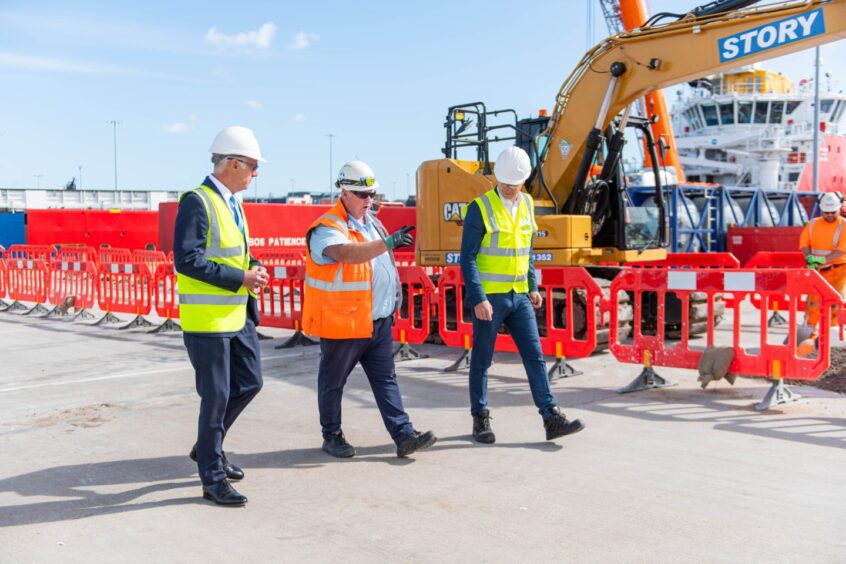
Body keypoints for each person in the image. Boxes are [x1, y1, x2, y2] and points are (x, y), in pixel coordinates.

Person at [301, 160, 437, 458]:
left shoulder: (372, 222)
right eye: (362, 195)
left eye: (372, 194)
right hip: (344, 324)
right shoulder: (327, 227)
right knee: (333, 382)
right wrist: (388, 242)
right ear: (344, 192)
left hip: (377, 322)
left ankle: (403, 435)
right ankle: (332, 435)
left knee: (386, 379)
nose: (369, 200)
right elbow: (347, 254)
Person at [460, 146, 585, 444]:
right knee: (482, 360)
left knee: (535, 357)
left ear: (523, 181)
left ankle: (550, 417)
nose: (508, 188)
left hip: (519, 297)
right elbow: (467, 257)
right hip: (491, 298)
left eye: (513, 184)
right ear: (496, 179)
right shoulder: (481, 207)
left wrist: (533, 285)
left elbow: (527, 249)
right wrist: (478, 298)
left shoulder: (527, 204)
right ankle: (480, 418)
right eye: (503, 183)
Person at [174, 126, 269, 506]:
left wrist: (254, 268)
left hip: (237, 317)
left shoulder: (233, 203)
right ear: (233, 164)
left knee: (250, 383)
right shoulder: (198, 201)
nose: (256, 173)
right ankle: (212, 478)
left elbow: (237, 253)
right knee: (215, 398)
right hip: (209, 322)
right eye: (253, 166)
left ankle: (206, 447)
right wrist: (240, 278)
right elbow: (187, 260)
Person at [798, 191, 846, 356]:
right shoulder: (812, 224)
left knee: (834, 304)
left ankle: (833, 341)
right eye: (826, 212)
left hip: (839, 271)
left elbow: (840, 252)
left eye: (833, 212)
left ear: (839, 209)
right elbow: (804, 244)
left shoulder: (843, 226)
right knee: (813, 304)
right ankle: (809, 337)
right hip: (818, 272)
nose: (830, 215)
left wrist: (819, 260)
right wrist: (809, 258)